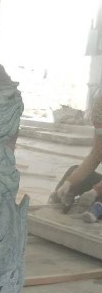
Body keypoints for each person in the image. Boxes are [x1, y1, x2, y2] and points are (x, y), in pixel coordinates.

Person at [50, 95, 102, 223]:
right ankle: (61, 198)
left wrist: (96, 190)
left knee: (97, 197)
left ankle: (97, 208)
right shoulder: (99, 133)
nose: (99, 130)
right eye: (97, 126)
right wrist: (69, 182)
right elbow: (94, 157)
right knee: (74, 170)